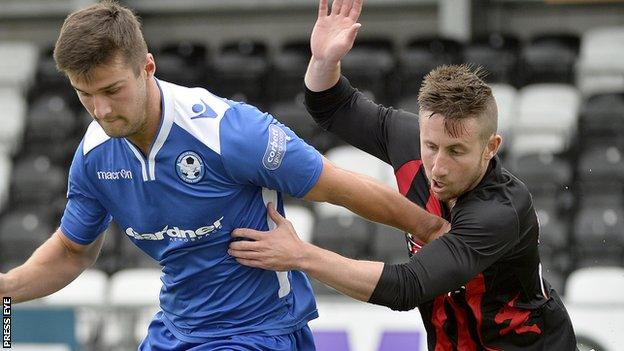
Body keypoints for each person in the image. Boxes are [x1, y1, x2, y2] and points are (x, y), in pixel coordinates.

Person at [0, 1, 448, 350]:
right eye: (85, 95)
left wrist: (436, 229)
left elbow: (341, 187)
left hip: (260, 332)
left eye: (112, 90)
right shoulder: (94, 157)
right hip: (177, 329)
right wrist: (5, 295)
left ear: (148, 68)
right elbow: (72, 252)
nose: (101, 110)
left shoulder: (228, 132)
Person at [229, 0, 578, 349]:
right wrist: (325, 61)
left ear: (491, 146)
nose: (438, 166)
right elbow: (331, 106)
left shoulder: (501, 211)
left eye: (457, 151)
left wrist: (300, 255)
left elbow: (406, 286)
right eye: (431, 146)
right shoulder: (410, 139)